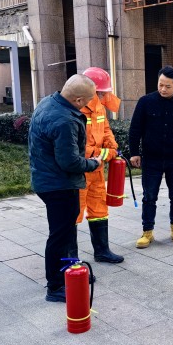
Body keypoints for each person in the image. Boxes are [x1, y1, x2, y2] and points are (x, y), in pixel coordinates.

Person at [29, 75, 102, 302]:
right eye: (88, 101)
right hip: (59, 185)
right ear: (78, 100)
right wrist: (94, 163)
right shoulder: (64, 120)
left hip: (46, 179)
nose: (89, 104)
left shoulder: (49, 102)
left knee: (66, 231)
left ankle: (71, 272)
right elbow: (69, 162)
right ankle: (55, 286)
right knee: (60, 236)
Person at [129, 66, 173, 248]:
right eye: (160, 85)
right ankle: (147, 232)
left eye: (167, 86)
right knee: (149, 196)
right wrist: (134, 152)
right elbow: (135, 129)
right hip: (151, 159)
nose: (163, 89)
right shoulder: (145, 102)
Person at [73, 67, 124, 263]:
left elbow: (106, 129)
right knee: (74, 213)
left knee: (99, 208)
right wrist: (105, 153)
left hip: (97, 170)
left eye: (104, 93)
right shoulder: (76, 110)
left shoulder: (99, 107)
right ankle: (70, 258)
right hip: (80, 171)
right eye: (100, 93)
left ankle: (102, 251)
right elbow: (79, 147)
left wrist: (112, 145)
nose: (103, 96)